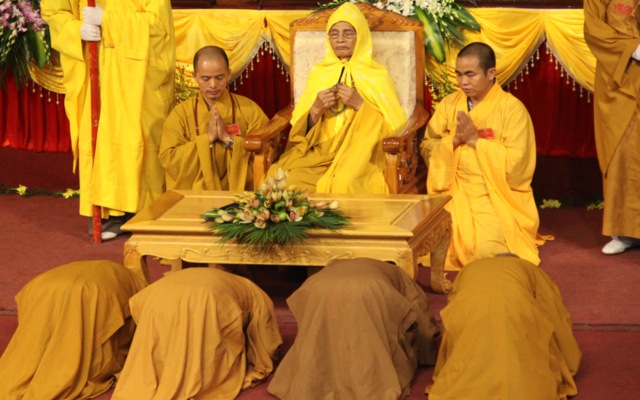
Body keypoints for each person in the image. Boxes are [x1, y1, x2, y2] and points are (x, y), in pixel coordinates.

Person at [40, 0, 175, 240]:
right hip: (97, 65)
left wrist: (108, 20)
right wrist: (76, 30)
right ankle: (107, 212)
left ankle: (142, 208)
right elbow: (54, 11)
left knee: (139, 134)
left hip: (138, 74)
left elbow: (158, 23)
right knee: (102, 136)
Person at [264, 2, 407, 194]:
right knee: (285, 181)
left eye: (348, 34)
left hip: (361, 151)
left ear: (361, 36)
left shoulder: (375, 75)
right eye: (334, 34)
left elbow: (396, 124)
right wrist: (315, 111)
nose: (340, 40)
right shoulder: (319, 73)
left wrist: (360, 105)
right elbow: (299, 130)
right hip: (321, 151)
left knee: (344, 183)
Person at [420, 42, 541, 270]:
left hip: (493, 192)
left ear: (491, 73)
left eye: (470, 74)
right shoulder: (449, 104)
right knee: (435, 244)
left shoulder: (512, 109)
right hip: (452, 189)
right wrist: (453, 141)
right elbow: (427, 145)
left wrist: (475, 141)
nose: (462, 82)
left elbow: (519, 165)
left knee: (487, 252)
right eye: (458, 74)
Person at [268, 258, 440, 400]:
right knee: (366, 336)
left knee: (317, 332)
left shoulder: (332, 265)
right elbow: (419, 311)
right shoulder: (398, 273)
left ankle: (312, 383)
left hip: (317, 286)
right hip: (369, 289)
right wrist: (428, 351)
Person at [112, 267, 282, 399]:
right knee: (203, 337)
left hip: (157, 295)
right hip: (207, 301)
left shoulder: (189, 273)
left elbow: (138, 306)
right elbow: (266, 339)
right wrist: (265, 361)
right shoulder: (251, 288)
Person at [426, 255, 582, 399]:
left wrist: (447, 360)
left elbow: (451, 314)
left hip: (470, 312)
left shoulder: (468, 268)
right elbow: (553, 311)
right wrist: (569, 365)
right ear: (516, 258)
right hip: (517, 311)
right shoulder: (530, 269)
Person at [0, 260, 146, 399]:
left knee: (40, 336)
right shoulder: (138, 286)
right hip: (91, 290)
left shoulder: (123, 280)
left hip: (42, 287)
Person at [159, 46, 269, 191]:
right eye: (205, 78)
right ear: (195, 76)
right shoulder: (180, 114)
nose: (213, 85)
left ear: (229, 74)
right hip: (195, 195)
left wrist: (228, 139)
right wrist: (208, 139)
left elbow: (268, 151)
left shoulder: (249, 109)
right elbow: (168, 158)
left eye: (219, 77)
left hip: (242, 195)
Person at [584, 0, 640, 255]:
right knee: (621, 154)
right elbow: (594, 30)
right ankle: (624, 233)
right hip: (618, 80)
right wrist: (634, 49)